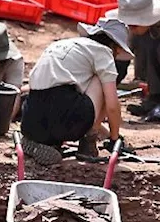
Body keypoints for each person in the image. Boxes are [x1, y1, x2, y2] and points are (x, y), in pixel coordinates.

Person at [20, 18, 131, 166]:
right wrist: (115, 139)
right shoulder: (103, 52)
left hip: (31, 119)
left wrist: (106, 135)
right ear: (116, 48)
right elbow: (112, 105)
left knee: (69, 94)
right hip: (64, 119)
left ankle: (38, 143)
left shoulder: (63, 45)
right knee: (103, 82)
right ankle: (87, 145)